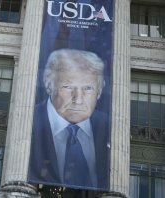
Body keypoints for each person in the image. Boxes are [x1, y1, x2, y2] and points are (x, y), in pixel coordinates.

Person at [29, 49, 110, 190]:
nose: (78, 100)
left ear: (100, 90)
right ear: (48, 84)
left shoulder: (110, 126)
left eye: (88, 88)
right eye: (67, 87)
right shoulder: (28, 118)